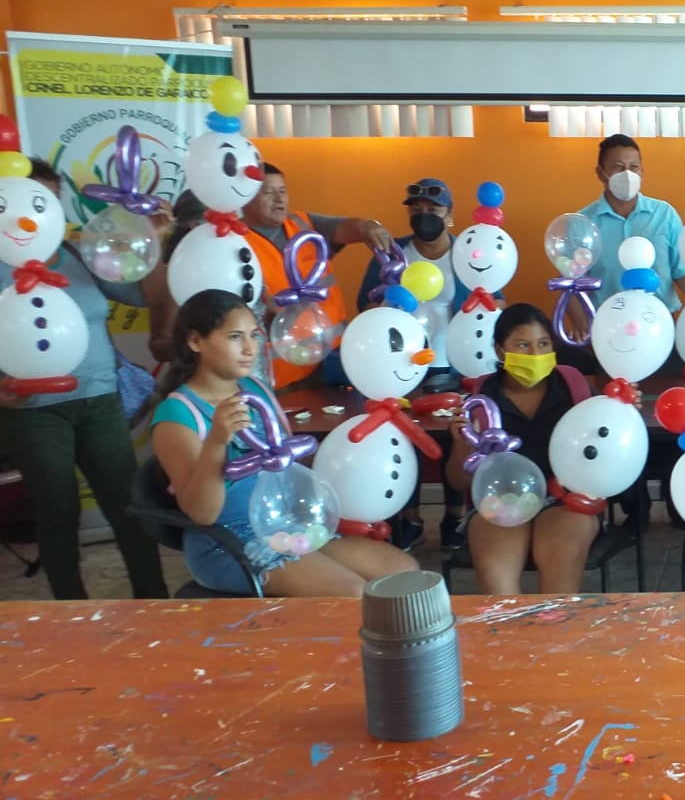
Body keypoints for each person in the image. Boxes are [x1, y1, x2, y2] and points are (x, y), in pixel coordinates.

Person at [150, 290, 416, 595]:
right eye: (235, 337)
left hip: (287, 524)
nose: (249, 349)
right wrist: (216, 443)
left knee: (404, 572)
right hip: (229, 542)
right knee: (352, 593)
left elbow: (289, 464)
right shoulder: (178, 413)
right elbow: (202, 514)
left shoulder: (255, 389)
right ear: (195, 341)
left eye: (253, 335)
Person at [0, 160, 169, 601]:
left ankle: (154, 601)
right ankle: (69, 613)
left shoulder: (77, 254)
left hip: (101, 399)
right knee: (58, 509)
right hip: (33, 411)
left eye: (52, 201)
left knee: (128, 505)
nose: (44, 212)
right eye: (34, 199)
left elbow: (147, 295)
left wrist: (151, 240)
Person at [443, 304, 598, 595]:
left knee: (561, 566)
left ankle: (557, 627)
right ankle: (511, 627)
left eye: (543, 344)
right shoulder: (481, 399)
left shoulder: (573, 387)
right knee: (497, 581)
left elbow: (603, 449)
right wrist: (463, 446)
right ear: (501, 351)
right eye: (523, 345)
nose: (535, 354)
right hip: (499, 503)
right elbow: (458, 481)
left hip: (564, 501)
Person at [356, 177, 471, 551]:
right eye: (416, 210)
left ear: (450, 216)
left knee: (454, 439)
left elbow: (495, 298)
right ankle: (410, 519)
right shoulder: (391, 256)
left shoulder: (468, 255)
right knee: (406, 438)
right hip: (400, 366)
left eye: (433, 210)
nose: (424, 216)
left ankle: (454, 518)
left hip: (454, 365)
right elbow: (365, 306)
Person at [242, 162, 394, 387]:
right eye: (269, 192)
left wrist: (368, 227)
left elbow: (347, 227)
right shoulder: (236, 244)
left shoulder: (303, 223)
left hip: (336, 361)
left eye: (283, 191)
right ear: (246, 198)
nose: (279, 199)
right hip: (286, 375)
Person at [578, 134, 685, 312]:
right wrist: (583, 325)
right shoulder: (583, 224)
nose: (627, 174)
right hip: (608, 322)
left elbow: (681, 273)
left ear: (642, 172)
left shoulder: (664, 214)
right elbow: (574, 284)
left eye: (633, 167)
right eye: (618, 167)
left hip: (660, 321)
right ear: (600, 173)